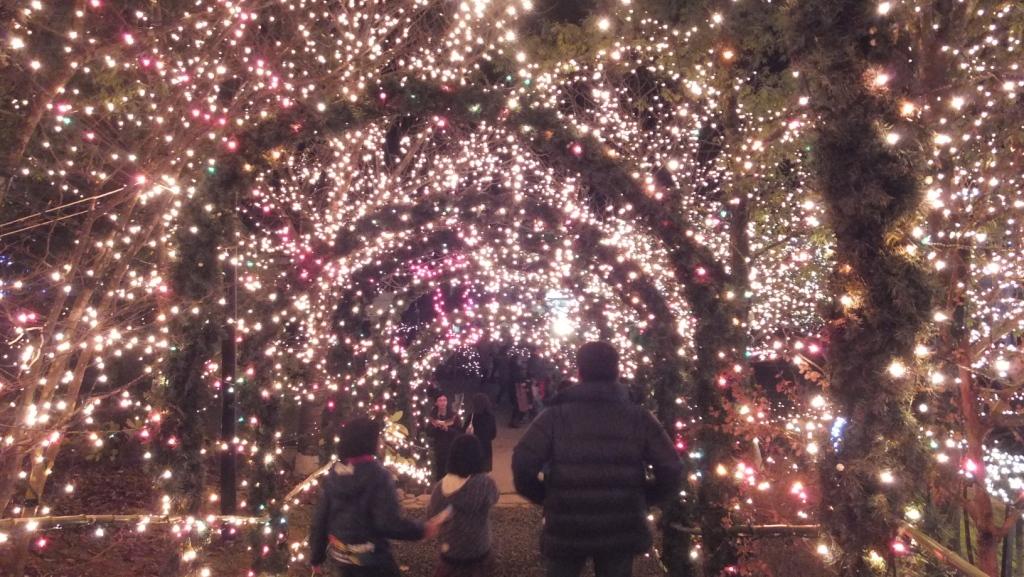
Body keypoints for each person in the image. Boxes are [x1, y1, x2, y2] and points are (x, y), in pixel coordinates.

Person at [512, 342, 684, 577]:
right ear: (617, 371)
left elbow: (523, 463)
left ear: (580, 372)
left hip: (567, 523)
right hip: (620, 524)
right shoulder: (638, 417)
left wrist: (547, 495)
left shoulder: (555, 416)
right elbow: (671, 468)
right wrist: (643, 497)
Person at [309, 416, 444, 577]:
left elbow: (321, 519)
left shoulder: (334, 476)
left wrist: (316, 558)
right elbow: (388, 523)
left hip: (344, 559)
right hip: (373, 561)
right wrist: (422, 530)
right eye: (377, 437)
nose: (380, 441)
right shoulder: (378, 476)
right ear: (368, 441)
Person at [428, 434, 500, 577]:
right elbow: (495, 497)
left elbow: (431, 515)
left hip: (450, 551)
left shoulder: (440, 487)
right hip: (478, 550)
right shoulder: (485, 483)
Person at [428, 394, 461, 482]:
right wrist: (437, 427)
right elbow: (429, 433)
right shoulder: (433, 417)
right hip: (439, 449)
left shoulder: (453, 416)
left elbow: (459, 433)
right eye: (440, 400)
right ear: (436, 403)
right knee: (440, 473)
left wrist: (447, 429)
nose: (443, 403)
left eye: (444, 400)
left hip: (451, 448)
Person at [465, 393, 497, 471]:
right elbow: (493, 434)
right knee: (484, 470)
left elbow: (463, 432)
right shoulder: (491, 417)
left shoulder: (472, 417)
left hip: (473, 448)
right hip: (486, 448)